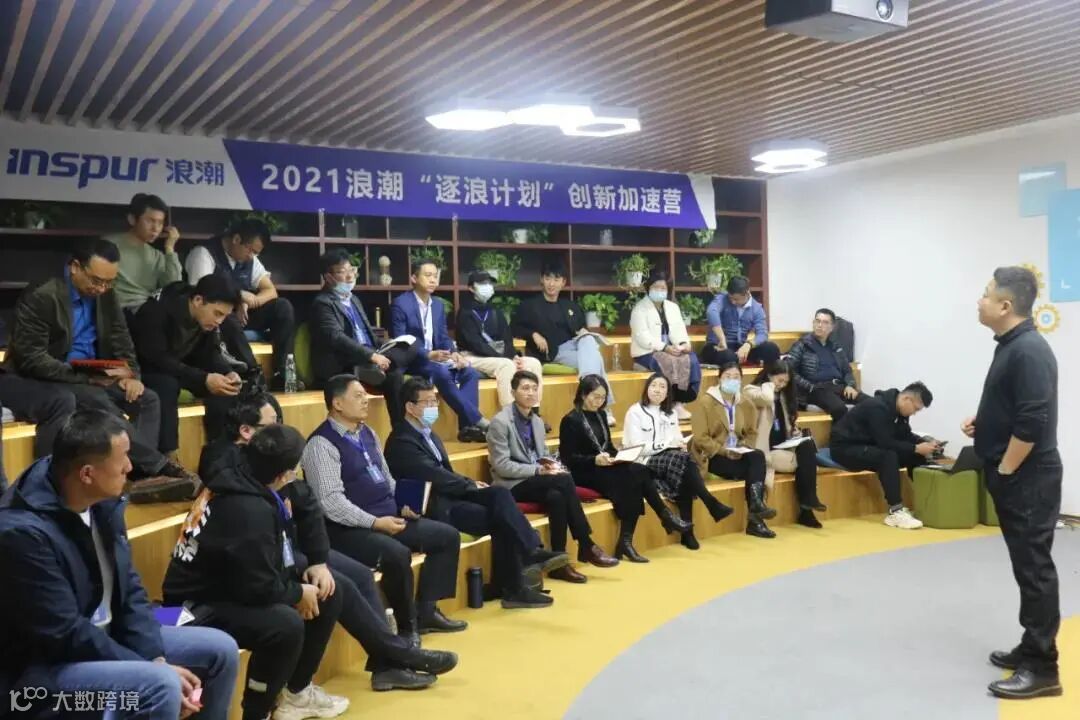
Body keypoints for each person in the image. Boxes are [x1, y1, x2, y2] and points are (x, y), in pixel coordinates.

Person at [192, 396, 459, 694]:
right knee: (333, 589)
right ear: (246, 432)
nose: (278, 432)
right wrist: (297, 589)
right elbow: (256, 562)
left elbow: (308, 507)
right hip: (255, 562)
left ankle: (389, 664)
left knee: (358, 575)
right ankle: (395, 656)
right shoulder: (230, 474)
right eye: (271, 426)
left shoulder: (273, 458)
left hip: (290, 545)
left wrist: (319, 560)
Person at [0, 410, 239, 720]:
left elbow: (131, 591)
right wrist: (149, 667)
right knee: (161, 686)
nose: (130, 466)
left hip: (107, 638)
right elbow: (64, 634)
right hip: (41, 675)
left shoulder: (104, 501)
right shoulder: (21, 533)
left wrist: (155, 657)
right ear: (87, 474)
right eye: (123, 458)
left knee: (221, 649)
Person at [163, 424, 352, 720]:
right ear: (283, 475)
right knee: (283, 626)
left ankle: (296, 694)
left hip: (228, 588)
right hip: (190, 607)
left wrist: (317, 564)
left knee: (327, 591)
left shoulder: (245, 475)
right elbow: (255, 587)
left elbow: (259, 570)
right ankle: (257, 711)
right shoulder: (246, 509)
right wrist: (296, 593)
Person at [0, 238, 196, 502]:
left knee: (147, 399)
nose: (101, 288)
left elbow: (121, 338)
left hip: (92, 374)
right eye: (96, 280)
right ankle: (159, 468)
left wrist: (132, 375)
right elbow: (32, 359)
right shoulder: (43, 295)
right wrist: (87, 377)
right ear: (75, 267)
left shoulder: (105, 295)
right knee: (95, 400)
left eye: (109, 282)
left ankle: (137, 477)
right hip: (46, 376)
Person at [301, 374, 467, 641]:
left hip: (388, 517)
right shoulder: (321, 444)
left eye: (365, 395)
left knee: (446, 536)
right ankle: (406, 629)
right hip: (348, 529)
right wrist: (375, 523)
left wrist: (404, 505)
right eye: (358, 396)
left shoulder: (367, 433)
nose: (366, 400)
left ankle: (426, 611)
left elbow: (387, 479)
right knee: (396, 554)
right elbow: (330, 502)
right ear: (337, 404)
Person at [385, 377, 568, 608]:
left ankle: (522, 563)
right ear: (410, 407)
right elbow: (436, 476)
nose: (434, 407)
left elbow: (446, 475)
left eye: (435, 401)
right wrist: (470, 485)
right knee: (502, 517)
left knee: (499, 495)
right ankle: (517, 578)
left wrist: (471, 484)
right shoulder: (402, 441)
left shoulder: (429, 434)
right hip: (433, 506)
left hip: (449, 496)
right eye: (428, 402)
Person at [964, 266, 1062, 699]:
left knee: (1034, 569)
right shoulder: (1012, 345)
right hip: (1020, 475)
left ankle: (1043, 668)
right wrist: (985, 423)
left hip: (1027, 478)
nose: (979, 300)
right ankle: (1031, 644)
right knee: (1027, 566)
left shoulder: (1028, 351)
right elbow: (1016, 406)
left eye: (986, 295)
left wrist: (1005, 469)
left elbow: (1033, 422)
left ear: (1005, 305)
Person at [488, 370, 619, 582]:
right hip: (512, 484)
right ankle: (585, 543)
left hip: (537, 480)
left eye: (534, 388)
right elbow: (501, 466)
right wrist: (538, 470)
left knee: (557, 496)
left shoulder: (537, 422)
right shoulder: (500, 422)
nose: (531, 393)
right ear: (513, 392)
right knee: (564, 480)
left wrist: (550, 465)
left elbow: (542, 456)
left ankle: (559, 563)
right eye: (525, 388)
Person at [559, 375, 692, 562]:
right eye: (595, 397)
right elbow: (568, 458)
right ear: (583, 395)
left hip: (605, 464)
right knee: (630, 482)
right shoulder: (570, 420)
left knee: (639, 470)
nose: (599, 401)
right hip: (584, 470)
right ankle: (647, 527)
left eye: (603, 397)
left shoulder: (601, 415)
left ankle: (632, 537)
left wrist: (619, 456)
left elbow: (608, 447)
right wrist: (594, 460)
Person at [132, 274, 245, 454]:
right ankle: (167, 455)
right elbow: (156, 358)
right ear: (198, 300)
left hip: (180, 369)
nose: (219, 322)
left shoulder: (206, 321)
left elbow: (210, 354)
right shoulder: (156, 311)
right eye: (217, 314)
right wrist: (203, 378)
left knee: (226, 388)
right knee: (167, 385)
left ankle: (221, 452)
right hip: (145, 370)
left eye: (224, 316)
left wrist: (227, 373)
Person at [622, 373, 734, 550]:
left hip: (671, 460)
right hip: (644, 461)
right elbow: (637, 447)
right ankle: (709, 504)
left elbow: (677, 438)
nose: (657, 390)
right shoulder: (634, 412)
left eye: (662, 387)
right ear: (647, 389)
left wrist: (680, 444)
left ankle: (688, 532)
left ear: (668, 393)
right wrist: (667, 444)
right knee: (684, 463)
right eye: (653, 386)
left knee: (684, 469)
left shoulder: (671, 413)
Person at [186, 218, 296, 390]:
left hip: (242, 313)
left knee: (283, 307)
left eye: (255, 253)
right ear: (236, 239)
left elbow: (270, 291)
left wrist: (250, 302)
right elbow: (202, 292)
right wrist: (239, 298)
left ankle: (282, 374)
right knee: (227, 317)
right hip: (217, 317)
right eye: (250, 250)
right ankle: (253, 374)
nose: (251, 256)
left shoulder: (250, 259)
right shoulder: (204, 253)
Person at [309, 250, 413, 426]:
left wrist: (388, 345)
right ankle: (401, 431)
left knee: (410, 347)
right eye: (342, 272)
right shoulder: (323, 303)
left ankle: (397, 363)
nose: (350, 276)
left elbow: (368, 334)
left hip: (368, 356)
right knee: (395, 376)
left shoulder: (354, 299)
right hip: (347, 363)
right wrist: (371, 356)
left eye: (351, 270)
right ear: (328, 277)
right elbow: (336, 338)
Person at [390, 260, 488, 442]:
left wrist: (454, 352)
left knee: (470, 372)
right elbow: (400, 340)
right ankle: (477, 421)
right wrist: (427, 354)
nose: (433, 280)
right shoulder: (401, 304)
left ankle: (467, 428)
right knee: (441, 371)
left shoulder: (438, 305)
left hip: (436, 358)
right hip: (413, 360)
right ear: (414, 278)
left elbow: (443, 336)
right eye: (427, 275)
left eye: (435, 276)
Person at [513, 260, 616, 426]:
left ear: (563, 282)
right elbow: (515, 328)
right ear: (542, 279)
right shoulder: (530, 306)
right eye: (548, 278)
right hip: (554, 351)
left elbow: (580, 328)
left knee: (588, 339)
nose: (551, 284)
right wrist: (533, 334)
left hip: (575, 345)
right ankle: (602, 407)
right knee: (596, 359)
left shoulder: (570, 306)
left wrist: (583, 333)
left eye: (556, 279)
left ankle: (589, 396)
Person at [829, 382, 939, 530]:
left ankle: (927, 501)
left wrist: (924, 443)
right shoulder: (877, 407)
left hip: (869, 445)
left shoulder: (899, 411)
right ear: (906, 399)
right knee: (888, 456)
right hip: (845, 448)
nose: (914, 413)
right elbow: (885, 442)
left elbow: (905, 435)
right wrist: (916, 448)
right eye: (916, 409)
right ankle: (896, 511)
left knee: (915, 456)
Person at [689, 362, 777, 538]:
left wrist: (744, 446)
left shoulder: (745, 403)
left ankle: (756, 507)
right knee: (756, 471)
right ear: (719, 378)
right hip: (713, 456)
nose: (732, 380)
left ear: (741, 380)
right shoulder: (705, 403)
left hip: (737, 453)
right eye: (727, 376)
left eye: (736, 377)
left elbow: (751, 432)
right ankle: (756, 519)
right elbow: (700, 438)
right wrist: (724, 451)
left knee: (757, 456)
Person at [745, 360, 827, 529]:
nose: (782, 385)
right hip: (765, 451)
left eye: (786, 382)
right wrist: (769, 385)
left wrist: (793, 432)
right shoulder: (752, 390)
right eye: (779, 380)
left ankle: (809, 502)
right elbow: (766, 399)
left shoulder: (783, 396)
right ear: (769, 375)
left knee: (807, 445)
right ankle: (806, 509)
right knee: (807, 464)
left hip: (784, 445)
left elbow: (785, 424)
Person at [456, 271, 545, 411]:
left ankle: (533, 412)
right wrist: (506, 358)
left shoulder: (495, 311)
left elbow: (507, 338)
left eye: (489, 283)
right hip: (472, 356)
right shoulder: (465, 313)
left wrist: (513, 356)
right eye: (482, 283)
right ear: (471, 288)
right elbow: (475, 344)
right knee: (506, 365)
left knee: (533, 363)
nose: (487, 286)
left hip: (499, 356)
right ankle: (510, 415)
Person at [629, 272, 701, 419]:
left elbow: (679, 330)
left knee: (691, 358)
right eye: (656, 287)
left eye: (663, 288)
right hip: (647, 352)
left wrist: (683, 344)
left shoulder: (673, 307)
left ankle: (682, 400)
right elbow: (642, 337)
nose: (659, 291)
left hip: (671, 349)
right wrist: (664, 347)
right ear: (648, 288)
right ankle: (672, 403)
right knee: (668, 361)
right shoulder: (639, 309)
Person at [786, 308, 869, 420]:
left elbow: (847, 371)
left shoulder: (835, 347)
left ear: (832, 327)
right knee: (839, 408)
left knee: (873, 403)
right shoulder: (802, 345)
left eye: (825, 322)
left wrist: (850, 385)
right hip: (816, 389)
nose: (820, 325)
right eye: (817, 321)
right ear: (813, 323)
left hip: (839, 387)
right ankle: (840, 432)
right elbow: (789, 371)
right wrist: (809, 387)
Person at [108, 193, 183, 314]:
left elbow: (173, 288)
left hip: (147, 311)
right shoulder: (110, 245)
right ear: (132, 219)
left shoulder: (157, 255)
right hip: (118, 310)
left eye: (160, 223)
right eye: (150, 221)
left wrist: (170, 249)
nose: (156, 228)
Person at [701, 275, 780, 367]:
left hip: (740, 347)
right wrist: (722, 338)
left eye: (736, 299)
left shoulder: (756, 308)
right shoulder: (722, 298)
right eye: (730, 298)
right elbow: (711, 312)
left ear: (747, 293)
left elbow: (762, 334)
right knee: (729, 357)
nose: (733, 302)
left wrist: (748, 344)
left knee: (771, 349)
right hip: (717, 347)